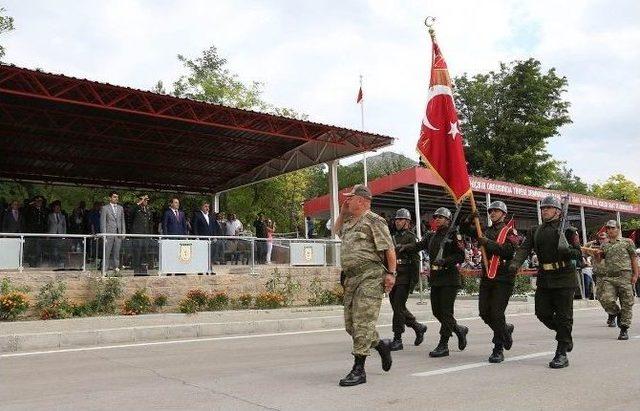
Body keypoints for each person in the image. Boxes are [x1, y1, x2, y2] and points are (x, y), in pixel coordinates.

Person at [509, 195, 582, 369]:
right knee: (542, 313)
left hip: (564, 276)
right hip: (545, 277)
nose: (544, 210)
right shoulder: (536, 230)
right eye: (543, 208)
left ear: (558, 211)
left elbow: (578, 255)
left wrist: (568, 251)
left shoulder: (569, 230)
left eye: (548, 208)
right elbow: (524, 248)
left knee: (564, 316)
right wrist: (515, 263)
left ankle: (561, 352)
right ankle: (565, 335)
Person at [334, 184, 396, 387]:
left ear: (360, 200)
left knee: (362, 323)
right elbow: (336, 231)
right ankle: (380, 344)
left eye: (350, 198)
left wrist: (391, 274)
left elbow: (388, 249)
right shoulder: (351, 222)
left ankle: (359, 370)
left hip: (370, 276)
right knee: (351, 326)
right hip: (351, 279)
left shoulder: (374, 221)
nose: (347, 201)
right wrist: (343, 212)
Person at [403, 207, 467, 358]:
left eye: (441, 217)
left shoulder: (453, 236)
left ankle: (443, 344)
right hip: (436, 279)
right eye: (436, 217)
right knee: (436, 312)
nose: (437, 219)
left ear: (448, 220)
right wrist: (405, 247)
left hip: (449, 278)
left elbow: (460, 256)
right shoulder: (431, 235)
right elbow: (418, 246)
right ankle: (458, 329)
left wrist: (445, 261)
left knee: (445, 312)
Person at [460, 201, 518, 363]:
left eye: (496, 211)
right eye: (491, 211)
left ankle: (498, 348)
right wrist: (470, 217)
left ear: (504, 214)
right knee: (484, 312)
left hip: (503, 276)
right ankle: (505, 331)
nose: (492, 213)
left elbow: (508, 251)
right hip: (488, 275)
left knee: (497, 314)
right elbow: (464, 230)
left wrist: (487, 243)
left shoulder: (509, 231)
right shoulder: (483, 229)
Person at [589, 220, 639, 340]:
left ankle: (624, 329)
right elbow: (599, 260)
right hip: (610, 277)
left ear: (618, 229)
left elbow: (633, 259)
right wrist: (596, 254)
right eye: (608, 228)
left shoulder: (627, 242)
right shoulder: (605, 245)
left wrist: (636, 275)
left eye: (612, 228)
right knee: (605, 298)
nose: (610, 230)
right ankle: (617, 313)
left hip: (625, 275)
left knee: (626, 303)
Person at [386, 208, 428, 351]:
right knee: (397, 307)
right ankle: (418, 327)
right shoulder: (391, 237)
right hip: (393, 275)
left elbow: (416, 260)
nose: (397, 222)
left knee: (398, 307)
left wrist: (414, 281)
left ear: (407, 222)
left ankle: (398, 339)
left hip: (405, 276)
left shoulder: (411, 238)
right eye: (396, 220)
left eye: (401, 219)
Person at [101, 191, 126, 272]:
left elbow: (122, 221)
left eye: (117, 197)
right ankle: (105, 269)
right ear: (110, 198)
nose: (116, 198)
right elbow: (103, 222)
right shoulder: (105, 208)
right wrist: (104, 235)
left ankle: (116, 269)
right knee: (107, 253)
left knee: (117, 253)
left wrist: (123, 232)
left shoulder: (120, 208)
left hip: (118, 234)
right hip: (108, 233)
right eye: (114, 197)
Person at [130, 195, 153, 275]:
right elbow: (130, 213)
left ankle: (144, 271)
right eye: (144, 200)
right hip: (137, 235)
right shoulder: (136, 209)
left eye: (147, 200)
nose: (146, 201)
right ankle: (137, 271)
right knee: (137, 253)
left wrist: (151, 234)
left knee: (145, 253)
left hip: (146, 235)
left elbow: (150, 223)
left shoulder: (148, 210)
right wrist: (139, 203)